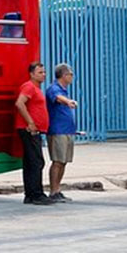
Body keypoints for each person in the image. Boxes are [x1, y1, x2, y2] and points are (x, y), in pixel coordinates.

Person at [14, 62, 54, 206]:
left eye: (44, 72)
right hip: (29, 129)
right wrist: (30, 122)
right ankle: (37, 194)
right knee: (37, 161)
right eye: (40, 72)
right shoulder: (29, 86)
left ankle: (30, 194)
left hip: (33, 129)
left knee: (31, 162)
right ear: (31, 74)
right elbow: (20, 103)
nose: (43, 75)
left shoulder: (36, 88)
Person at [45, 64, 79, 202]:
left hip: (67, 130)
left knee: (64, 161)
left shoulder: (64, 90)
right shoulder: (54, 89)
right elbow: (58, 98)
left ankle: (58, 190)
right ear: (64, 75)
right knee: (57, 161)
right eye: (71, 74)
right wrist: (68, 102)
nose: (72, 77)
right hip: (58, 131)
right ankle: (53, 191)